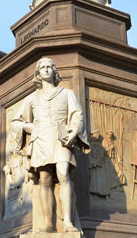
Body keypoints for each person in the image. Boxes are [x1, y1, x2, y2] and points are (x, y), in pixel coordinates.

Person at [12, 57, 90, 233]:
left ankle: (68, 221)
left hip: (61, 137)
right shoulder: (31, 98)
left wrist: (73, 133)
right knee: (45, 179)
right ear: (38, 73)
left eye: (49, 67)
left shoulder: (67, 93)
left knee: (63, 174)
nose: (46, 70)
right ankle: (48, 222)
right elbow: (16, 122)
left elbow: (77, 115)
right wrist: (28, 126)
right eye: (43, 67)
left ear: (54, 71)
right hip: (40, 139)